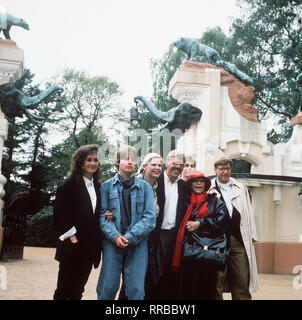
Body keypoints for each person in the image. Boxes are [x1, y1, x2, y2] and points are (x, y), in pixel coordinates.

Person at [96, 145, 156, 300]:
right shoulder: (106, 187)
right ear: (117, 162)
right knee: (107, 288)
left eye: (133, 160)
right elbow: (102, 217)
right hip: (112, 243)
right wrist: (116, 236)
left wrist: (129, 237)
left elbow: (150, 219)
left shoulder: (145, 188)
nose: (130, 162)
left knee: (136, 290)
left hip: (137, 243)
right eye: (125, 159)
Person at [53, 144, 103, 300]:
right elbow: (60, 215)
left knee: (77, 291)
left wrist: (106, 214)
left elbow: (94, 213)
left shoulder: (97, 186)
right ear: (81, 161)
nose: (93, 163)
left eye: (96, 160)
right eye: (89, 160)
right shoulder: (69, 185)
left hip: (88, 248)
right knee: (63, 289)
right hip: (72, 246)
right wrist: (72, 238)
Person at [171, 171, 229, 300]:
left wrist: (200, 224)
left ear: (205, 184)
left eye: (201, 181)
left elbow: (223, 222)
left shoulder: (214, 201)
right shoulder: (183, 201)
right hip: (187, 253)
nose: (198, 184)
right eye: (195, 181)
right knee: (186, 287)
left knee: (206, 289)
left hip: (207, 254)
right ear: (190, 185)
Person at [208, 156, 259, 300]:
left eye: (227, 168)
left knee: (242, 279)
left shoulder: (241, 188)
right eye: (221, 169)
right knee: (216, 280)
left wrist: (252, 236)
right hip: (216, 242)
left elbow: (249, 212)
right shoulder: (209, 188)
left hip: (238, 239)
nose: (225, 172)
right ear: (215, 170)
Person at [154, 150, 189, 299]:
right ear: (166, 164)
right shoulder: (156, 181)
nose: (177, 167)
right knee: (155, 273)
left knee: (171, 274)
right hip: (156, 235)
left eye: (181, 164)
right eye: (174, 163)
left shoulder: (183, 186)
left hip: (175, 236)